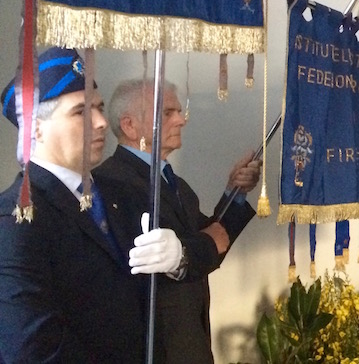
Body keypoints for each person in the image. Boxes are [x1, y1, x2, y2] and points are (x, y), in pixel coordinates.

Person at [93, 78, 261, 364]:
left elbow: (211, 243)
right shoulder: (110, 184)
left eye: (179, 111)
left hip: (188, 342)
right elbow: (201, 246)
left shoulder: (177, 185)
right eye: (167, 113)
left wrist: (236, 192)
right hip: (154, 348)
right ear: (130, 125)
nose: (181, 120)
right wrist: (207, 243)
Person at [0, 47, 147, 362]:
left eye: (100, 107)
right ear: (35, 128)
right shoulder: (17, 217)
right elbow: (31, 349)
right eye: (81, 111)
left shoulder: (119, 195)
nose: (101, 122)